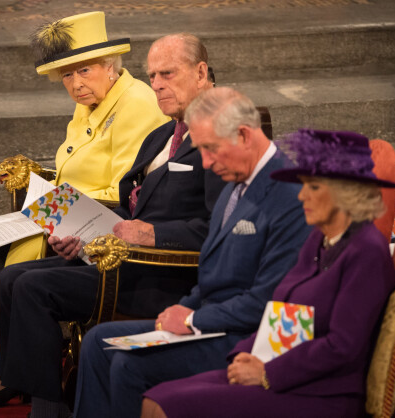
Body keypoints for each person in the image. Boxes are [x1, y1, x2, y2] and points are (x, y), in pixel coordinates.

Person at [0, 33, 227, 416]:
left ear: (201, 73)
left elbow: (222, 228)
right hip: (121, 254)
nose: (157, 85)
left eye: (167, 73)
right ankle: (43, 394)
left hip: (162, 271)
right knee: (10, 279)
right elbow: (130, 207)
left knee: (33, 287)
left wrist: (153, 233)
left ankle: (47, 410)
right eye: (152, 76)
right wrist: (79, 233)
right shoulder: (163, 134)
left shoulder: (221, 133)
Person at [0, 11, 168, 407]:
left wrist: (54, 202)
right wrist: (45, 187)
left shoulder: (136, 103)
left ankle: (8, 376)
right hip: (64, 210)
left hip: (96, 223)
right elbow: (74, 166)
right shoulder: (91, 103)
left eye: (84, 71)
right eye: (67, 75)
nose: (75, 84)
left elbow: (125, 188)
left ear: (109, 66)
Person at [72, 87, 312, 418]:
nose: (208, 164)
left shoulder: (290, 196)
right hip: (210, 323)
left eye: (211, 150)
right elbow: (212, 274)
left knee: (128, 364)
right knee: (98, 342)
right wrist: (180, 310)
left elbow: (269, 300)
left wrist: (191, 319)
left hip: (247, 338)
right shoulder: (232, 184)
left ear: (243, 135)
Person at [141, 128, 395, 418]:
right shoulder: (320, 238)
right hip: (280, 369)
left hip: (323, 393)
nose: (301, 195)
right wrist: (245, 354)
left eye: (313, 187)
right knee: (157, 398)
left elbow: (342, 347)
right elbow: (280, 307)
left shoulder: (367, 252)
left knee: (170, 406)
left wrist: (267, 373)